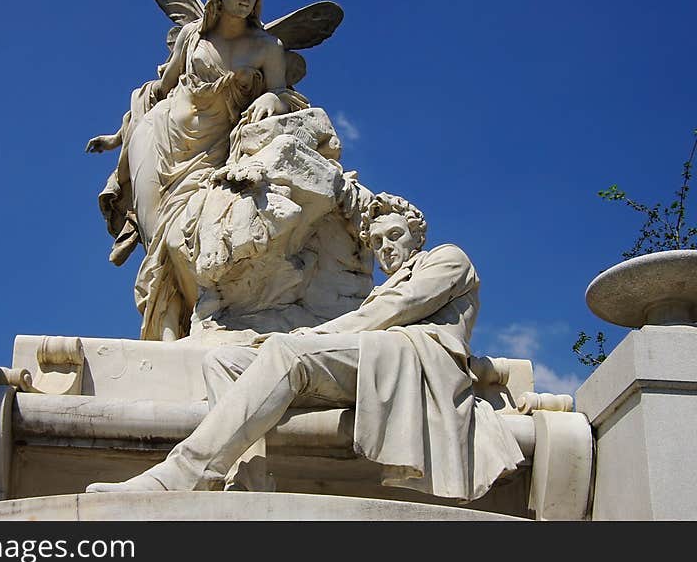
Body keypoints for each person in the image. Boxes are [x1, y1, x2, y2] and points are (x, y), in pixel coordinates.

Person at [86, 193, 525, 501]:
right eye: (375, 243)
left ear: (416, 232)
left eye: (393, 236)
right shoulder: (382, 288)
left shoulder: (447, 259)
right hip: (372, 360)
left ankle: (185, 471)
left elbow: (395, 309)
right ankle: (247, 485)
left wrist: (309, 337)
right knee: (225, 359)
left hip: (412, 359)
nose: (385, 249)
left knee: (285, 353)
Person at [97, 0, 308, 341]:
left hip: (212, 152)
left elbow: (283, 95)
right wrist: (119, 137)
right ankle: (164, 333)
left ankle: (198, 327)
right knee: (157, 237)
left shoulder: (267, 48)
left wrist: (269, 96)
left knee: (183, 237)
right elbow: (159, 90)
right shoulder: (193, 36)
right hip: (157, 140)